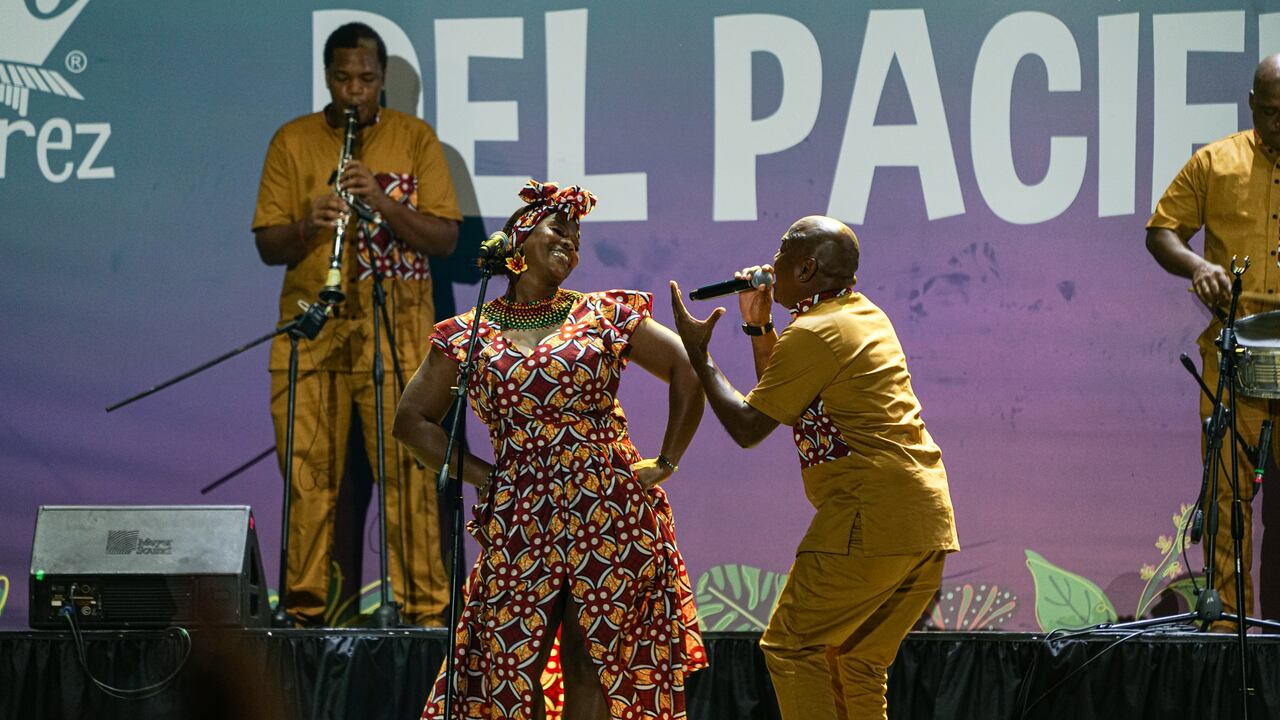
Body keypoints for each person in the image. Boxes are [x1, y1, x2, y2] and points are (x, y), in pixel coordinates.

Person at [395, 180, 707, 719]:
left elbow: (688, 368)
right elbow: (411, 421)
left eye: (577, 236)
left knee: (596, 662)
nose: (571, 242)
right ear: (518, 239)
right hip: (521, 513)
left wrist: (667, 460)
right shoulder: (469, 333)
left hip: (610, 508)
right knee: (509, 664)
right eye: (559, 229)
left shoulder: (603, 314)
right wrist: (483, 475)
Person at [669, 216, 958, 720]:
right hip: (924, 520)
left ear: (805, 268)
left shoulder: (817, 331)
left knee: (791, 646)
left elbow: (747, 427)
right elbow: (789, 397)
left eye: (781, 254)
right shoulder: (860, 314)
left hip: (872, 516)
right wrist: (759, 326)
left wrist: (699, 355)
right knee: (854, 660)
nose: (770, 263)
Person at [251, 22, 462, 626]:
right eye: (343, 78)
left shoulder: (415, 138)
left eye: (366, 79)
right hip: (312, 335)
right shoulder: (292, 142)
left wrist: (384, 201)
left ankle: (426, 616)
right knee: (309, 480)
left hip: (397, 338)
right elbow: (269, 245)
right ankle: (304, 615)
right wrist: (309, 226)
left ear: (383, 80)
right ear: (327, 77)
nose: (354, 91)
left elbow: (445, 238)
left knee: (411, 476)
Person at [1146, 53, 1280, 629]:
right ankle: (1230, 640)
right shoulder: (1215, 162)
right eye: (1273, 113)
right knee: (1229, 505)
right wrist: (1197, 266)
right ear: (1252, 106)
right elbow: (1161, 232)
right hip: (1238, 351)